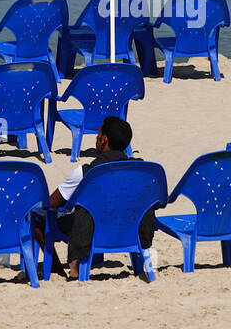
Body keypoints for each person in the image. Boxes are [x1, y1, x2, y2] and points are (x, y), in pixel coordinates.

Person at [45, 115, 155, 280]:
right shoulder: (140, 172)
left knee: (39, 218)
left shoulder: (85, 173)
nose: (95, 138)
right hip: (128, 228)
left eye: (98, 135)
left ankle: (61, 270)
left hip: (93, 230)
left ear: (104, 140)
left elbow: (51, 203)